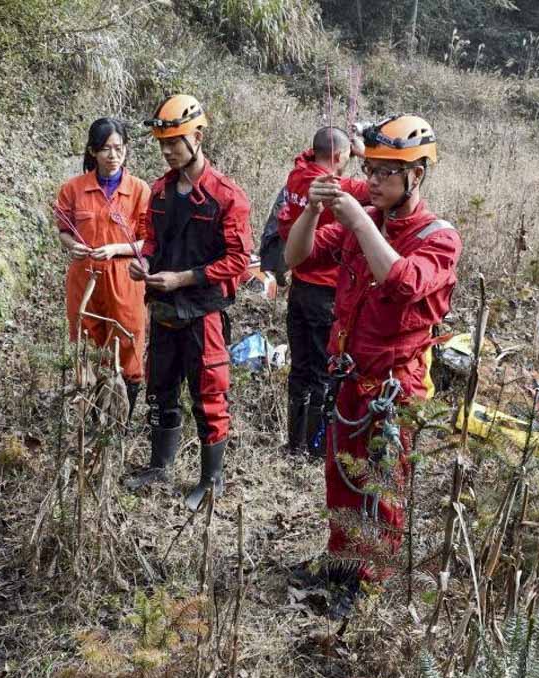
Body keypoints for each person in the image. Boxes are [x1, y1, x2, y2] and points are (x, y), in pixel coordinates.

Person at [284, 115, 462, 618]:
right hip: (349, 374)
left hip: (394, 388)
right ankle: (341, 560)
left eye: (388, 172)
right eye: (373, 170)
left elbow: (402, 282)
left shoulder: (438, 237)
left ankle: (370, 579)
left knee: (382, 488)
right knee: (340, 475)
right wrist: (315, 211)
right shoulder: (366, 220)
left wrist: (359, 220)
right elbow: (297, 258)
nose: (375, 181)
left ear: (415, 177)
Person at [124, 94, 253, 511]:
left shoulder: (227, 196)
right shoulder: (159, 191)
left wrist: (185, 277)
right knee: (160, 386)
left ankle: (211, 480)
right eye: (162, 143)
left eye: (175, 141)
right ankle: (160, 465)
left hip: (203, 311)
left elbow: (237, 259)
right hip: (162, 305)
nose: (167, 150)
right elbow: (152, 239)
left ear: (197, 136)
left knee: (209, 393)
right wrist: (142, 262)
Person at [277, 127, 369, 459]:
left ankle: (294, 443)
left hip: (299, 285)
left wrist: (344, 151)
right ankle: (311, 448)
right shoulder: (333, 185)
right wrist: (365, 153)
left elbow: (319, 152)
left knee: (300, 367)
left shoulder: (298, 173)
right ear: (342, 156)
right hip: (323, 292)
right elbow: (371, 190)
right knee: (319, 370)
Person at [56, 117, 151, 417]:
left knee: (128, 342)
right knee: (87, 342)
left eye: (119, 148)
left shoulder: (139, 191)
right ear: (93, 151)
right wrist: (73, 245)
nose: (113, 156)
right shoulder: (73, 189)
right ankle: (94, 419)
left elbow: (148, 243)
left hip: (125, 277)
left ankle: (120, 421)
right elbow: (63, 230)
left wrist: (116, 249)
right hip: (84, 276)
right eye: (106, 149)